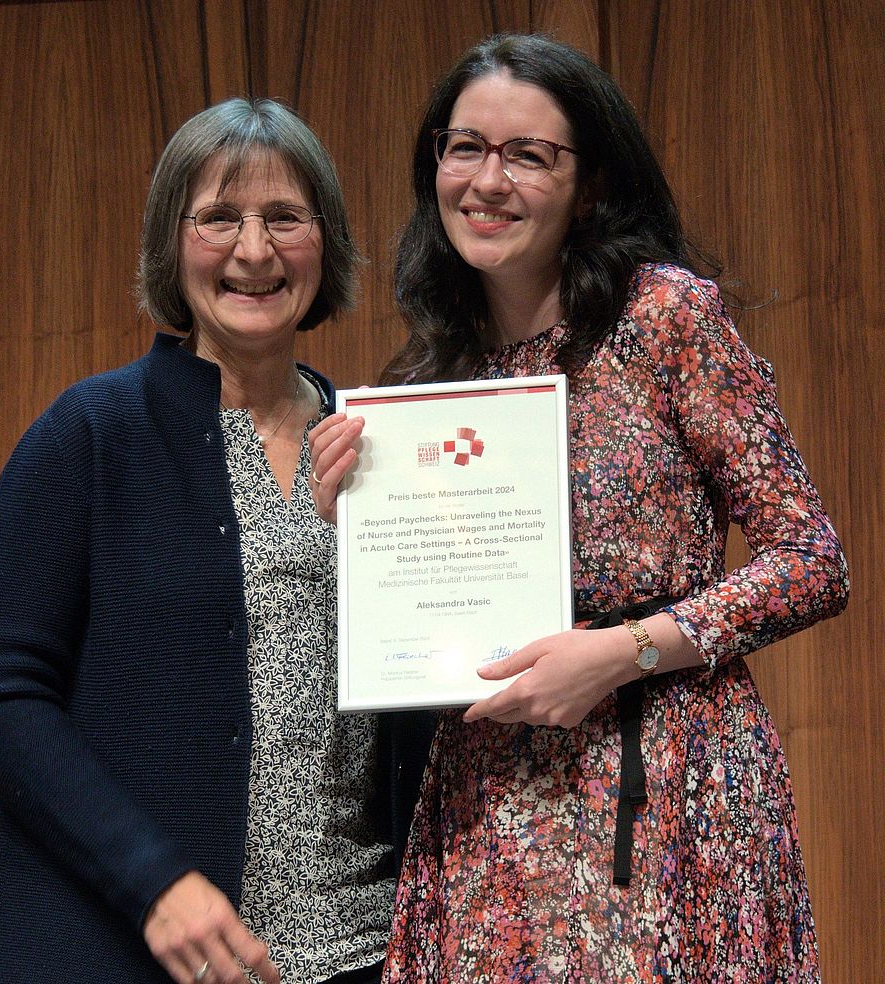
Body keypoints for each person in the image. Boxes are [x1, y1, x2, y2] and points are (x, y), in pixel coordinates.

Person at [309, 34, 848, 982]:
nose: (488, 181)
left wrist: (622, 651)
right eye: (465, 147)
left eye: (528, 154)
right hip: (492, 806)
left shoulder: (663, 317)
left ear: (589, 184)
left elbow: (811, 562)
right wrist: (355, 533)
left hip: (666, 784)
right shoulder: (433, 373)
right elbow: (434, 626)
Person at [0, 97, 431, 984]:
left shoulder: (380, 446)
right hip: (134, 944)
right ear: (172, 245)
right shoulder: (91, 433)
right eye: (219, 218)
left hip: (354, 947)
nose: (254, 251)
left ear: (324, 242)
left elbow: (424, 688)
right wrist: (154, 883)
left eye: (285, 217)